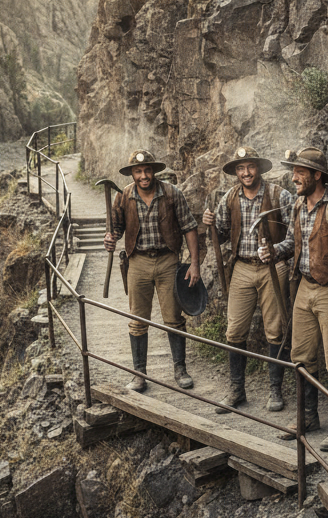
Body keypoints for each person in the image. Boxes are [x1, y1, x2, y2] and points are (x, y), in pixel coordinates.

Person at [259, 147, 328, 451]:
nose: (294, 178)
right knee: (301, 356)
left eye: (300, 172)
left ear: (318, 175)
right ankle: (309, 418)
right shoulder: (299, 206)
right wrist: (275, 251)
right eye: (293, 171)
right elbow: (293, 241)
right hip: (304, 287)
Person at [202, 146, 294, 413]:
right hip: (241, 268)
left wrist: (278, 250)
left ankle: (275, 390)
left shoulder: (280, 195)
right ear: (236, 172)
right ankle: (236, 390)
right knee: (234, 331)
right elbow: (219, 236)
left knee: (275, 330)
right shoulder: (229, 199)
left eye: (250, 167)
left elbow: (296, 236)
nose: (246, 172)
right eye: (241, 168)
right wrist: (209, 224)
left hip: (273, 267)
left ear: (259, 168)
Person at [103, 149, 200, 393]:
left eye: (147, 170)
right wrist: (110, 238)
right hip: (137, 263)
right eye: (138, 171)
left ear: (154, 171)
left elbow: (189, 227)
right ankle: (139, 375)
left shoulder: (171, 194)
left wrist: (195, 263)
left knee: (174, 319)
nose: (144, 175)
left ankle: (180, 369)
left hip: (168, 261)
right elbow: (116, 228)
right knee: (137, 320)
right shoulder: (124, 197)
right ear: (132, 174)